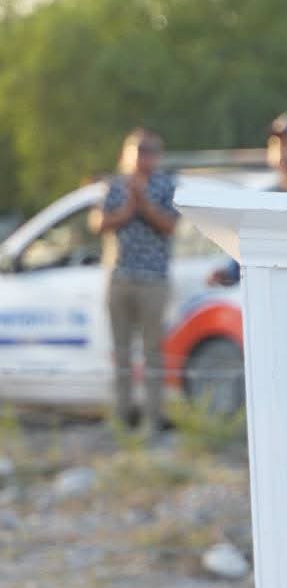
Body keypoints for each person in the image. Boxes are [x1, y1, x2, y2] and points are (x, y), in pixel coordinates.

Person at [96, 127, 179, 431]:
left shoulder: (166, 185)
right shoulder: (115, 186)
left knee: (152, 352)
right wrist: (127, 209)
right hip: (119, 277)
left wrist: (143, 204)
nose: (144, 156)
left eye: (150, 150)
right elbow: (100, 223)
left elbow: (170, 226)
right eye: (139, 149)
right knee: (121, 352)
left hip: (153, 280)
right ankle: (122, 415)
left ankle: (153, 418)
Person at [207, 112, 287, 287]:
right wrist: (229, 273)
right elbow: (250, 244)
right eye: (278, 143)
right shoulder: (265, 197)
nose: (285, 150)